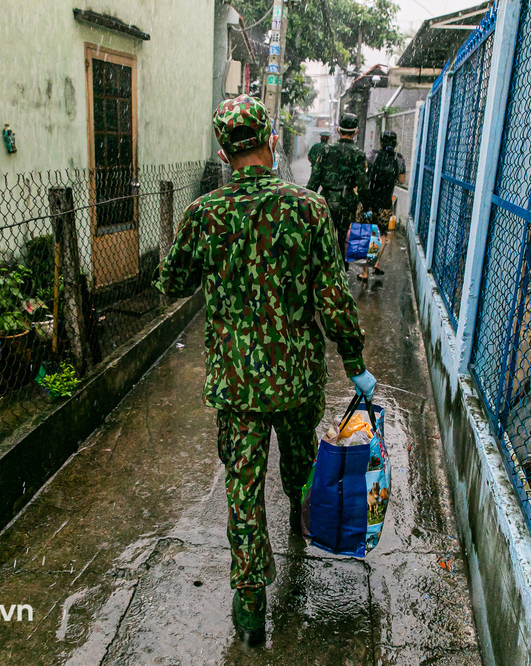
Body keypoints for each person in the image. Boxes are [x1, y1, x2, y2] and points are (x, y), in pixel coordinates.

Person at [154, 95, 377, 647]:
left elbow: (172, 284)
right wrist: (355, 362)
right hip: (297, 380)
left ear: (226, 153)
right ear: (269, 143)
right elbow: (333, 298)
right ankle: (302, 526)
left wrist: (196, 261)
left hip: (236, 385)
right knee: (300, 465)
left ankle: (250, 600)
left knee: (242, 485)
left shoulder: (204, 214)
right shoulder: (308, 210)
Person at [307, 113, 369, 270]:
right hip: (347, 202)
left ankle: (324, 268)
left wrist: (306, 201)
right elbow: (362, 184)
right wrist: (365, 205)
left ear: (337, 130)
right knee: (342, 238)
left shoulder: (326, 150)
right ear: (356, 132)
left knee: (324, 235)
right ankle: (341, 271)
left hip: (326, 200)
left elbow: (314, 179)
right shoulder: (359, 154)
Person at [359, 130, 406, 280]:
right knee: (382, 233)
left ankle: (364, 272)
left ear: (380, 143)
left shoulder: (372, 155)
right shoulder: (399, 159)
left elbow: (363, 172)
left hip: (369, 202)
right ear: (395, 144)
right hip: (385, 202)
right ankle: (377, 262)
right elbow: (402, 180)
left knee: (366, 232)